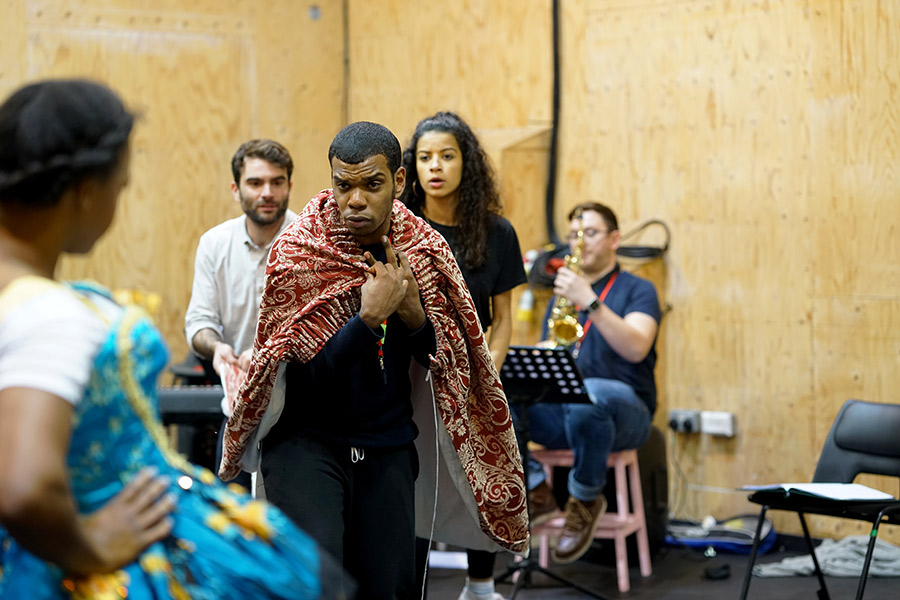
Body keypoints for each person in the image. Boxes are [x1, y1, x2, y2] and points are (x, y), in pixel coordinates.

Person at [0, 78, 341, 599]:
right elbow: (25, 487)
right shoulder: (49, 315)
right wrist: (91, 548)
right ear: (86, 192)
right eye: (121, 186)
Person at [218, 121, 530, 599]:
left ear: (399, 183)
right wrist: (367, 320)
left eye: (372, 185)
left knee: (391, 590)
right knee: (318, 589)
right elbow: (303, 379)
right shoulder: (300, 250)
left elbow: (444, 362)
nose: (356, 200)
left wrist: (413, 317)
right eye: (344, 185)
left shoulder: (423, 251)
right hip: (307, 445)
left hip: (386, 446)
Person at [400, 112, 527, 600]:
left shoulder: (497, 233)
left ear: (465, 163)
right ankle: (411, 587)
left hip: (475, 375)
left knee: (484, 478)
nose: (436, 167)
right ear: (410, 168)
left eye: (447, 156)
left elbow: (504, 318)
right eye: (426, 157)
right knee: (414, 482)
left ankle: (481, 586)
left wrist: (484, 375)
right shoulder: (402, 228)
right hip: (413, 375)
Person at [525, 201, 661, 565]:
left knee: (594, 393)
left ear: (615, 239)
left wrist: (591, 301)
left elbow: (636, 347)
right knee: (497, 396)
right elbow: (554, 351)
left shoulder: (639, 289)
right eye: (573, 235)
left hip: (625, 415)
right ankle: (537, 489)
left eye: (589, 233)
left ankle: (585, 500)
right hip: (569, 414)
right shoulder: (561, 296)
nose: (578, 242)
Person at [184, 138, 297, 489]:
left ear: (290, 186)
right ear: (236, 189)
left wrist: (268, 353)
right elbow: (199, 322)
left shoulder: (310, 242)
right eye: (255, 182)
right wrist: (217, 349)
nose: (267, 192)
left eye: (277, 182)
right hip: (238, 410)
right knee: (233, 526)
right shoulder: (214, 244)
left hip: (299, 414)